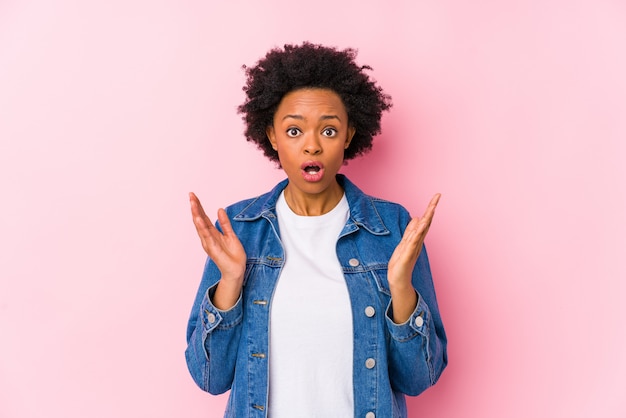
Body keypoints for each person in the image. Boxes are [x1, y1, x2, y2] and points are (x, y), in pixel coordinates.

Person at [185, 42, 447, 418]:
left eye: (328, 130)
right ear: (272, 136)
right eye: (293, 131)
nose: (311, 146)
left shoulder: (391, 229)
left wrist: (401, 289)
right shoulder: (240, 230)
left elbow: (419, 379)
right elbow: (209, 377)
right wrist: (229, 282)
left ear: (349, 135)